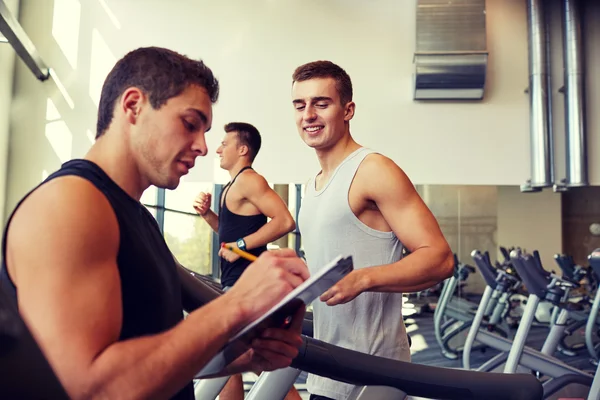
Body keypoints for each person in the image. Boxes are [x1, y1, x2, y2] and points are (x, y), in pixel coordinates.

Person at [0, 47, 309, 400]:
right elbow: (88, 389)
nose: (203, 147)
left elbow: (148, 354)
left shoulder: (135, 215)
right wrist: (237, 303)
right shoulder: (70, 204)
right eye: (190, 124)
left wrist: (248, 357)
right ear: (133, 106)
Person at [291, 60, 454, 400]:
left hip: (372, 373)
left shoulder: (373, 169)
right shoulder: (312, 186)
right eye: (300, 105)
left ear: (347, 110)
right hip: (328, 369)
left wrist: (362, 278)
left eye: (321, 103)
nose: (308, 115)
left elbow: (439, 259)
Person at [192, 122, 298, 400]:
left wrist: (240, 246)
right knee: (245, 362)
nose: (217, 149)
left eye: (224, 144)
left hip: (248, 286)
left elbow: (285, 220)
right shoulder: (232, 185)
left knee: (231, 358)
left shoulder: (250, 180)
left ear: (242, 149)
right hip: (237, 284)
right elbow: (231, 238)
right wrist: (209, 217)